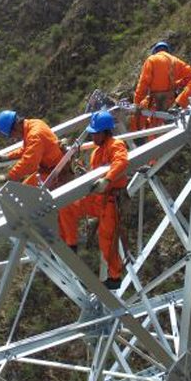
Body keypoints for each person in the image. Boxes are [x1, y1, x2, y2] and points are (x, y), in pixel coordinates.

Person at [58, 110, 128, 290]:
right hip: (98, 198)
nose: (93, 136)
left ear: (105, 132)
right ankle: (71, 245)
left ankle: (115, 277)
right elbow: (94, 172)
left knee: (107, 240)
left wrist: (107, 179)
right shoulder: (97, 151)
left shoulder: (115, 144)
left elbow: (121, 162)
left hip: (111, 202)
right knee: (67, 206)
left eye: (96, 133)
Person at [132, 41, 191, 134]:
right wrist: (178, 84)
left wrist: (137, 102)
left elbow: (144, 82)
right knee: (173, 126)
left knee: (154, 129)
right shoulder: (176, 61)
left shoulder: (152, 60)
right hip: (171, 100)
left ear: (156, 51)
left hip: (156, 101)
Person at [0, 110, 64, 187]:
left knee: (24, 195)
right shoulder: (34, 123)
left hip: (57, 172)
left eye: (12, 135)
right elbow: (27, 149)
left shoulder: (34, 135)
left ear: (15, 127)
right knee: (24, 189)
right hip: (52, 167)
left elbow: (29, 163)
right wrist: (8, 156)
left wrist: (8, 176)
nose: (14, 138)